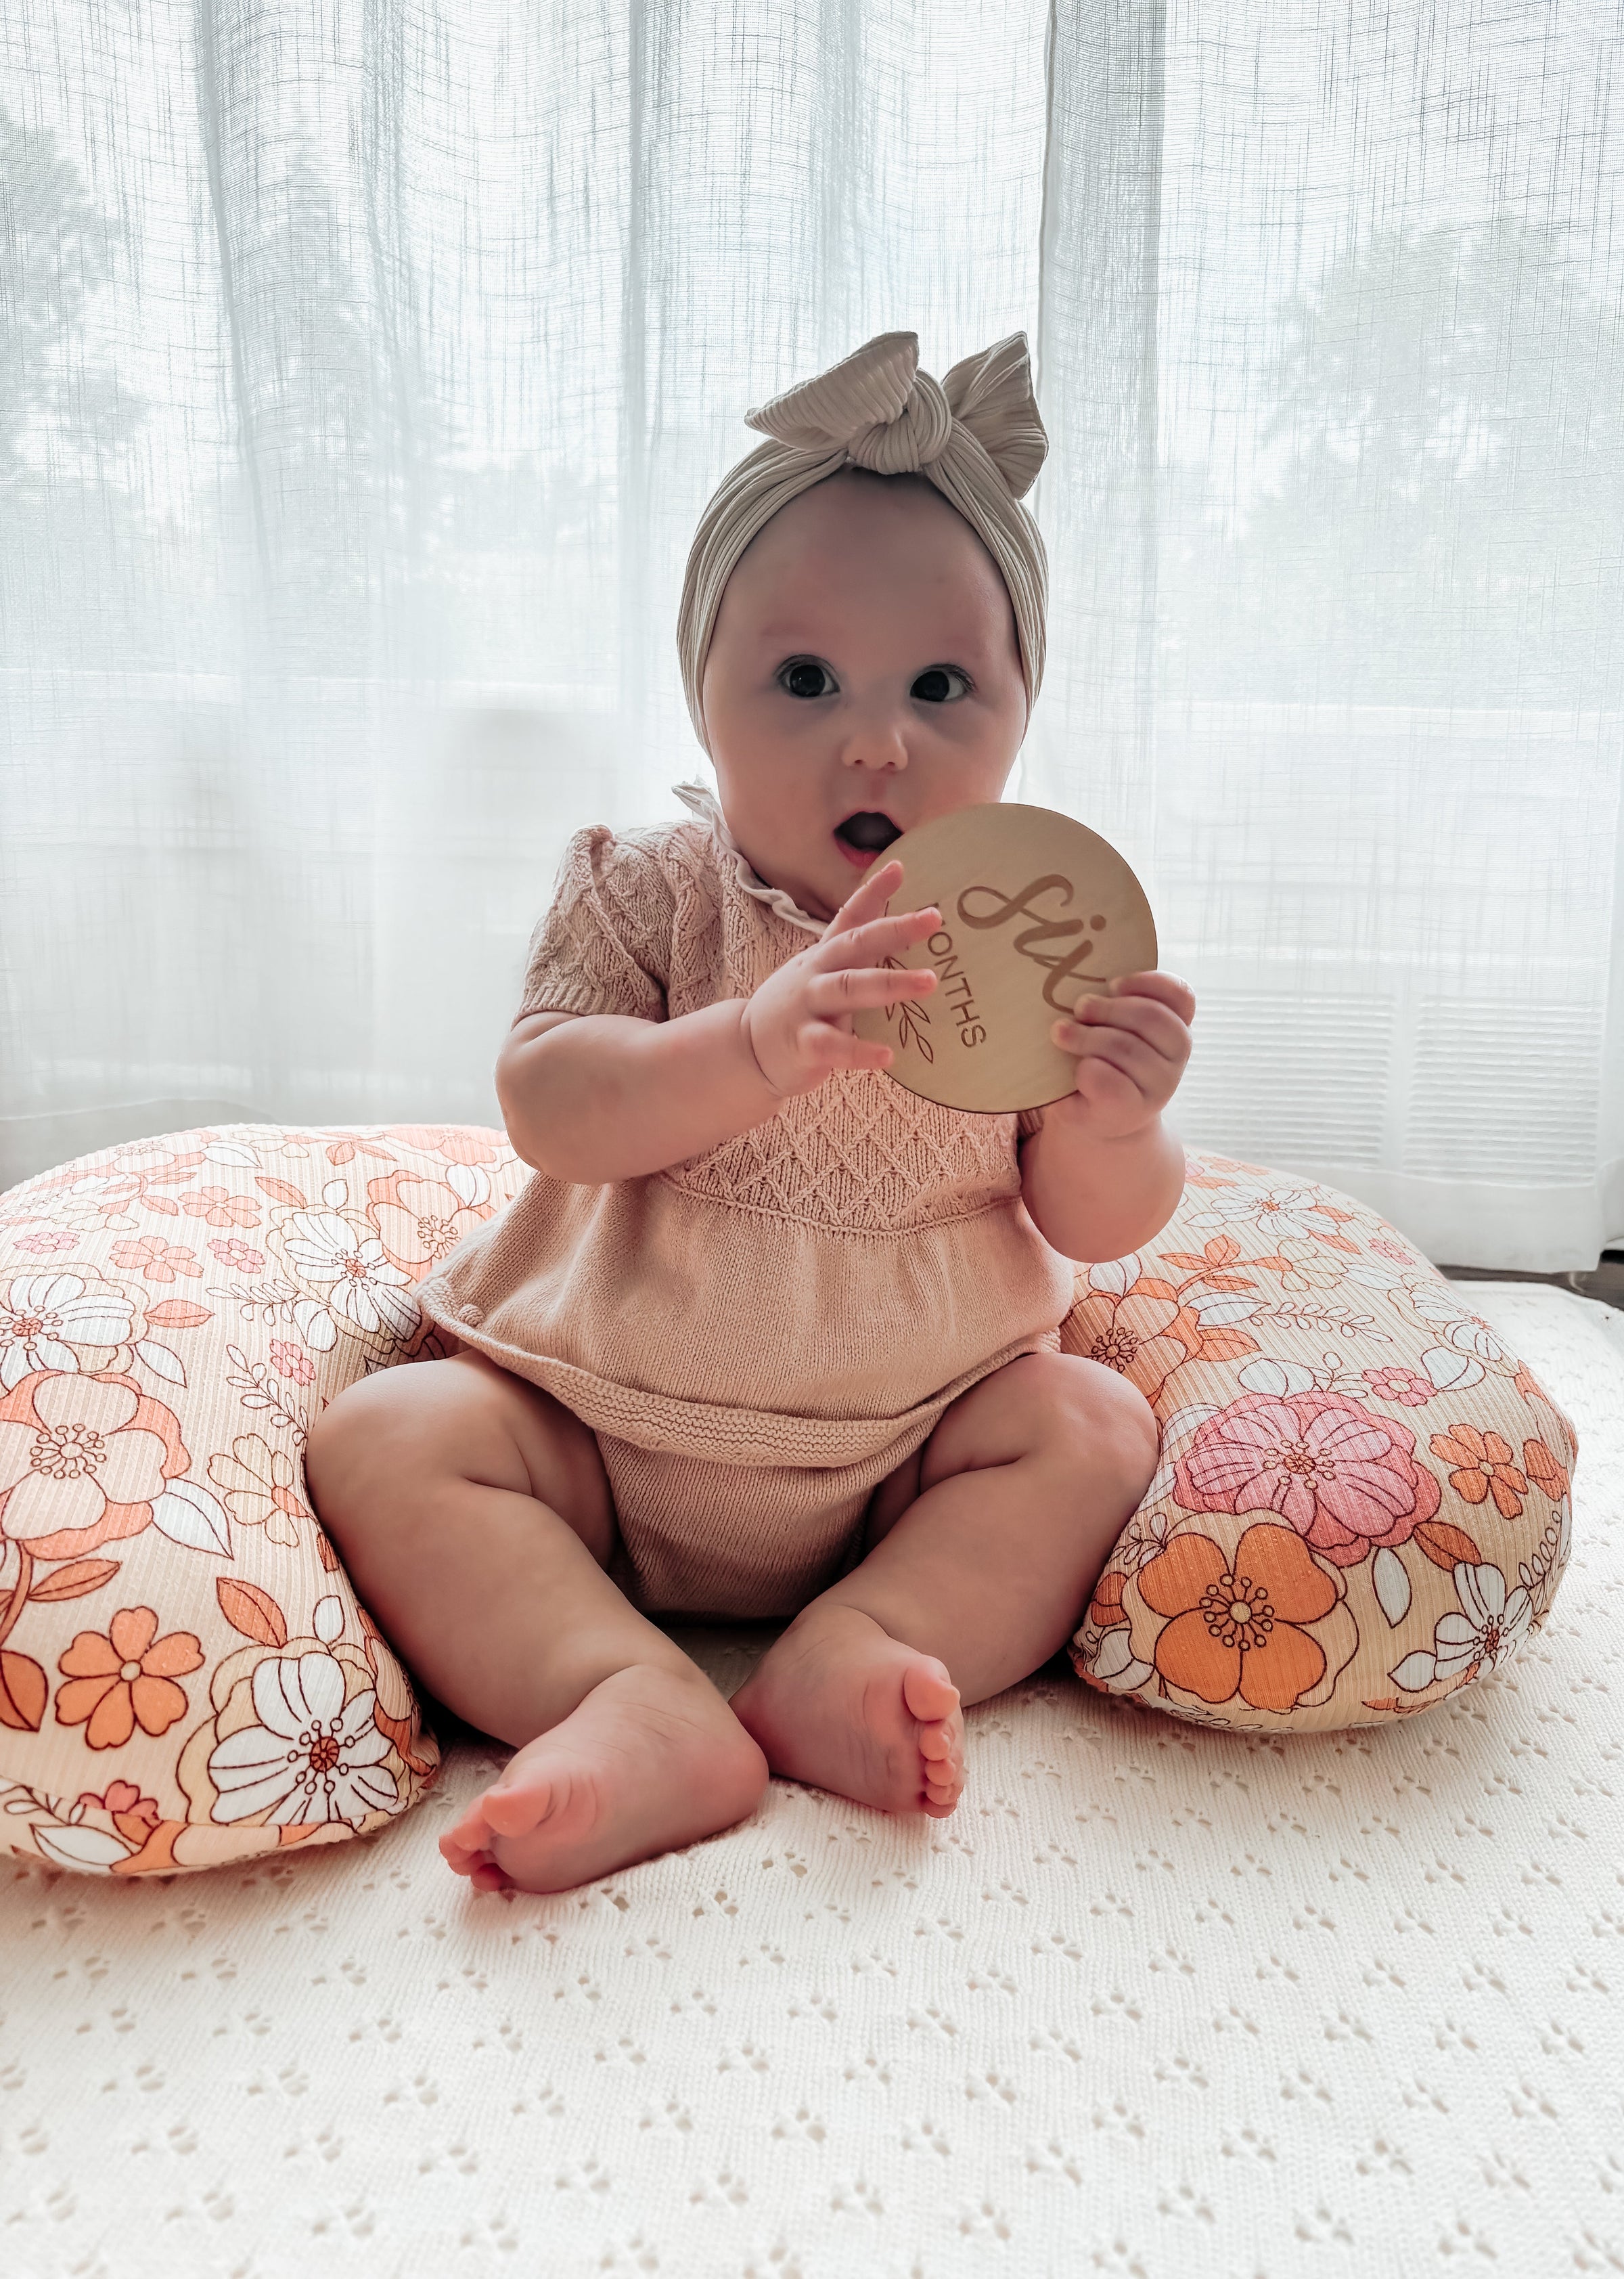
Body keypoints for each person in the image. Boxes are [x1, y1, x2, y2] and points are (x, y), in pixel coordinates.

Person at [304, 331, 1196, 1895]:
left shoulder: (1024, 937)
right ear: (702, 698)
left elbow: (1090, 1222)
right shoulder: (647, 891)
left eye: (939, 685)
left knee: (1092, 1425)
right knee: (387, 1438)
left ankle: (855, 1646)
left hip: (908, 1454)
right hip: (592, 1430)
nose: (875, 738)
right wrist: (750, 1047)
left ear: (1019, 708)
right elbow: (548, 1103)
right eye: (804, 680)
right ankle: (629, 1694)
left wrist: (1119, 1122)